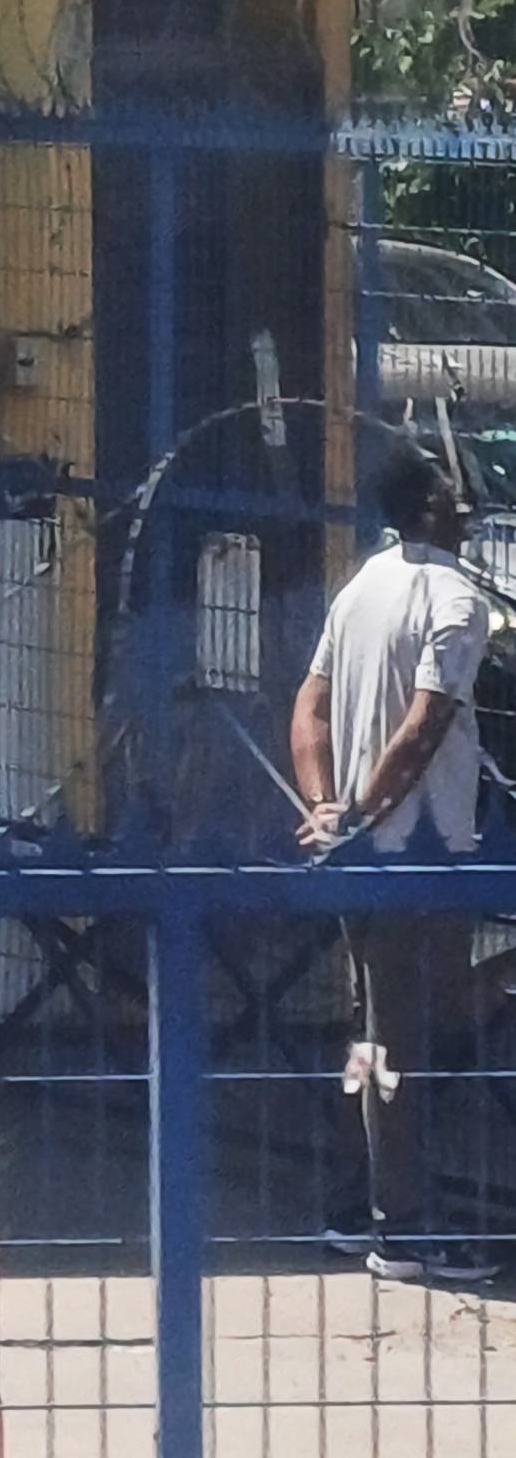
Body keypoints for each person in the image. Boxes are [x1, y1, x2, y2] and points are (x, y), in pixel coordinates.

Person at [288, 438, 493, 1284]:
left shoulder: (357, 589)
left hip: (360, 849)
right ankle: (402, 1232)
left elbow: (310, 707)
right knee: (407, 1033)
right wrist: (361, 812)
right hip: (424, 848)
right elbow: (422, 729)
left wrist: (323, 806)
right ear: (423, 508)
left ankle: (351, 1205)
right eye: (452, 494)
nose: (467, 505)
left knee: (375, 1027)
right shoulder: (456, 599)